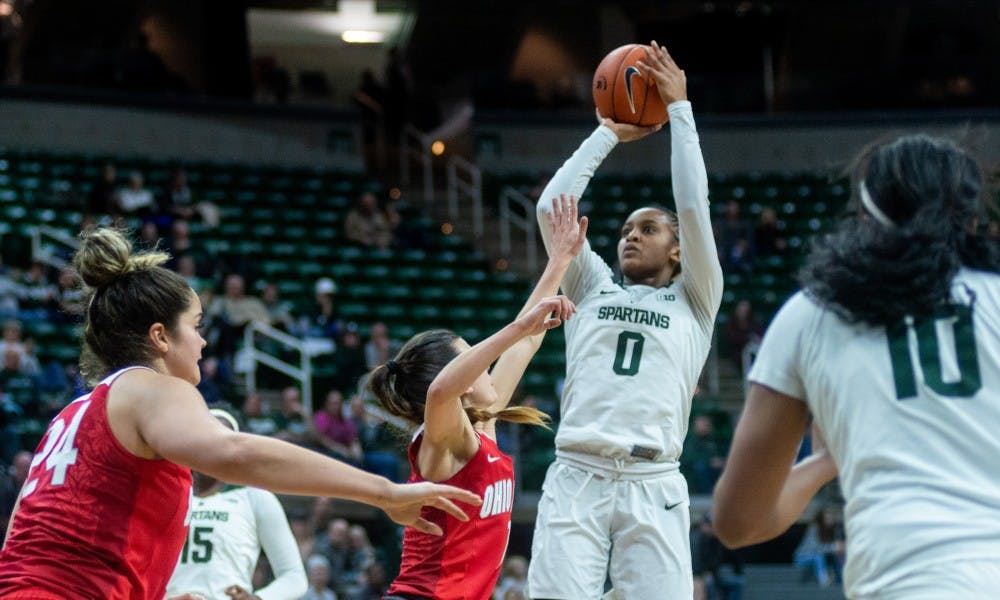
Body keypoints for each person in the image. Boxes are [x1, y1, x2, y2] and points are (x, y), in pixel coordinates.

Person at [0, 228, 481, 599]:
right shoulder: (153, 387)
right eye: (196, 326)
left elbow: (30, 533)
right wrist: (384, 491)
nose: (205, 341)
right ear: (160, 337)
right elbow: (234, 452)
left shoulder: (73, 413)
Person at [711, 133, 1000, 597]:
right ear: (968, 217)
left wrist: (827, 462)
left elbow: (737, 520)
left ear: (866, 216)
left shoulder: (813, 313)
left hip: (909, 581)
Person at [526, 42, 722, 600]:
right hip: (577, 472)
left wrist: (680, 111)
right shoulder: (588, 284)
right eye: (627, 229)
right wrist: (608, 132)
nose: (630, 235)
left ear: (680, 251)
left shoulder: (696, 298)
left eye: (649, 229)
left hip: (652, 481)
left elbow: (692, 205)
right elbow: (552, 208)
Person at [368, 195, 587, 600]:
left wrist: (559, 260)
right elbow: (440, 391)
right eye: (476, 362)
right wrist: (514, 328)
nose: (488, 369)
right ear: (464, 380)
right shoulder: (444, 440)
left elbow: (526, 343)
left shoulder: (481, 422)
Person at [166, 408, 308, 600]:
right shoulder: (168, 496)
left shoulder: (254, 497)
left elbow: (295, 577)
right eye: (205, 434)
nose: (212, 443)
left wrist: (258, 598)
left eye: (221, 437)